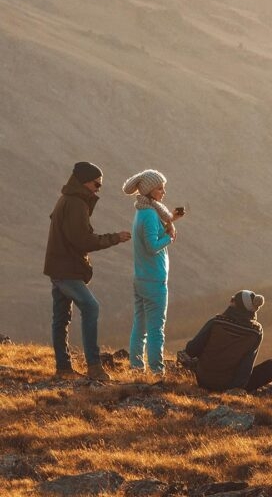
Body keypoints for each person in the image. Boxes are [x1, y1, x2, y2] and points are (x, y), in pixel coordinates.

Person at [43, 161, 131, 381]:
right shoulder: (76, 203)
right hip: (67, 270)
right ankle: (94, 366)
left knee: (61, 318)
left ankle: (63, 368)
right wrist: (115, 238)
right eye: (96, 184)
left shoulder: (67, 199)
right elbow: (82, 240)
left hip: (58, 267)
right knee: (91, 307)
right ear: (84, 181)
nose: (98, 188)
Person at [123, 169, 184, 377]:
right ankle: (157, 371)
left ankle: (136, 368)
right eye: (159, 188)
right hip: (154, 280)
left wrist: (170, 223)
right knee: (156, 328)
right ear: (149, 191)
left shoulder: (143, 211)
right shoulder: (150, 214)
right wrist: (171, 238)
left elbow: (150, 236)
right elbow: (151, 245)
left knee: (140, 325)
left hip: (140, 278)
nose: (163, 192)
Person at [180, 290, 272, 392]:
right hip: (229, 385)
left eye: (233, 299)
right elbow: (247, 364)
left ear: (236, 304)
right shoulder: (255, 332)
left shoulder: (216, 322)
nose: (231, 300)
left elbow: (191, 350)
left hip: (203, 380)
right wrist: (237, 388)